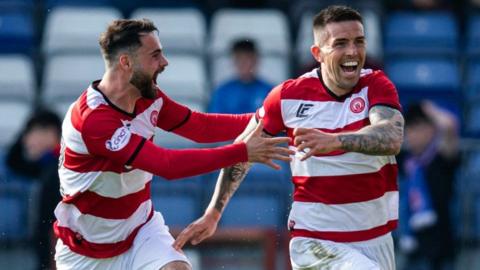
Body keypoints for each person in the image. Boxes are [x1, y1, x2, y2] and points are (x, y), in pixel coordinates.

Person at [174, 5, 404, 270]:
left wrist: (336, 141)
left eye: (358, 42)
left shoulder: (376, 85)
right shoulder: (287, 98)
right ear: (317, 53)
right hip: (316, 240)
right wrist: (213, 212)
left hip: (376, 239)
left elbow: (391, 136)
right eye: (340, 43)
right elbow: (242, 151)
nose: (352, 51)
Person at [52, 19, 293, 270]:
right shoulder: (94, 120)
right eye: (155, 55)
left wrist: (269, 118)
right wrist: (242, 151)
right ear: (126, 62)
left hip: (140, 232)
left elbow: (200, 127)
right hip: (85, 251)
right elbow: (167, 165)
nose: (165, 63)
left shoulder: (148, 96)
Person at [397, 101, 459, 270]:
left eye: (420, 127)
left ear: (432, 130)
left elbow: (449, 126)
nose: (414, 134)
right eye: (410, 128)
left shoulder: (441, 157)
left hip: (442, 245)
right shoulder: (404, 159)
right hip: (412, 245)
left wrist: (428, 108)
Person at [5, 109, 62, 270]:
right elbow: (14, 161)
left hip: (56, 256)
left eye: (30, 134)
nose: (26, 141)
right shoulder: (47, 165)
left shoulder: (59, 169)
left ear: (50, 133)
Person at [208, 39, 273, 114]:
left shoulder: (269, 91)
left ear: (255, 60)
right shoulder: (222, 92)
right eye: (239, 58)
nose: (243, 63)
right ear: (234, 61)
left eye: (247, 58)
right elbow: (215, 120)